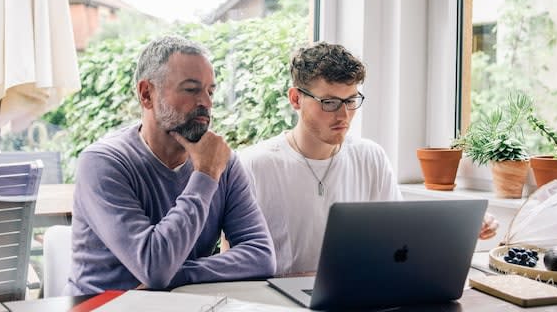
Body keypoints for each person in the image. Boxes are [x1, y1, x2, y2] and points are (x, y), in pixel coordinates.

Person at [239, 41, 498, 275]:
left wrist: (461, 234)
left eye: (351, 100)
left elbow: (399, 244)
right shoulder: (254, 165)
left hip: (358, 297)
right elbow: (237, 264)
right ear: (296, 99)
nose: (343, 115)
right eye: (329, 102)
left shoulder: (369, 156)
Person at [66, 36, 275, 295]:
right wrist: (205, 175)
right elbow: (155, 268)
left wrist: (182, 274)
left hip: (181, 303)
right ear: (146, 95)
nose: (207, 103)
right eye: (191, 89)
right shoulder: (103, 163)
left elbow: (261, 256)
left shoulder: (223, 163)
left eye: (210, 91)